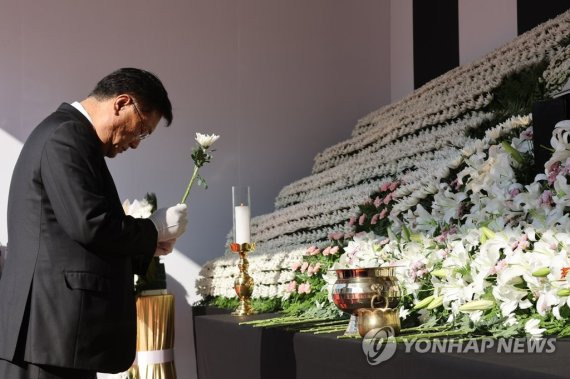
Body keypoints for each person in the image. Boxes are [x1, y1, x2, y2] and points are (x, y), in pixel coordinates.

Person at [0, 68, 188, 378]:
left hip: (51, 334)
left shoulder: (68, 133)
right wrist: (153, 228)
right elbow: (91, 223)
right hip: (47, 331)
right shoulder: (67, 136)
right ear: (121, 103)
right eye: (142, 129)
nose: (137, 143)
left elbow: (70, 232)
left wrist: (148, 245)